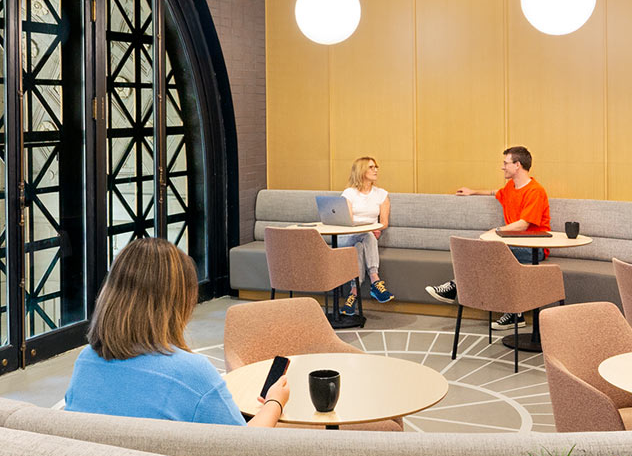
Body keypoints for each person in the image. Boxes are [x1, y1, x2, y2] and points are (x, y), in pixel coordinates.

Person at [65, 237, 291, 426]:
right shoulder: (192, 374)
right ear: (178, 304)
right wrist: (275, 402)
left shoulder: (86, 361)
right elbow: (245, 449)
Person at [426, 145, 551, 328]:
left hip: (534, 248)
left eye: (505, 163)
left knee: (489, 252)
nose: (502, 167)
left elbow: (524, 223)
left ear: (517, 165)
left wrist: (497, 231)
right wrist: (473, 191)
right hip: (511, 244)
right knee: (490, 255)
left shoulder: (535, 191)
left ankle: (454, 287)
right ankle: (515, 314)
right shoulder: (511, 187)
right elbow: (496, 192)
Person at [333, 157, 395, 323]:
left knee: (360, 246)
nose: (376, 170)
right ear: (361, 171)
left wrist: (375, 227)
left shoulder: (382, 194)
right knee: (366, 235)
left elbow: (384, 222)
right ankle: (375, 280)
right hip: (346, 237)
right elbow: (348, 221)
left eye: (376, 167)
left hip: (365, 238)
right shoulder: (349, 194)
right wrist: (370, 226)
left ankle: (353, 295)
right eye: (371, 167)